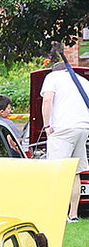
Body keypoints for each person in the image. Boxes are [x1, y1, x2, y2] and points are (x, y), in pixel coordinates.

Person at [40, 41, 89, 220]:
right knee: (75, 172)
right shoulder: (83, 81)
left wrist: (46, 125)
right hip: (83, 128)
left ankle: (56, 213)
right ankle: (73, 214)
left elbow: (47, 101)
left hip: (62, 129)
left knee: (56, 171)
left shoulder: (53, 78)